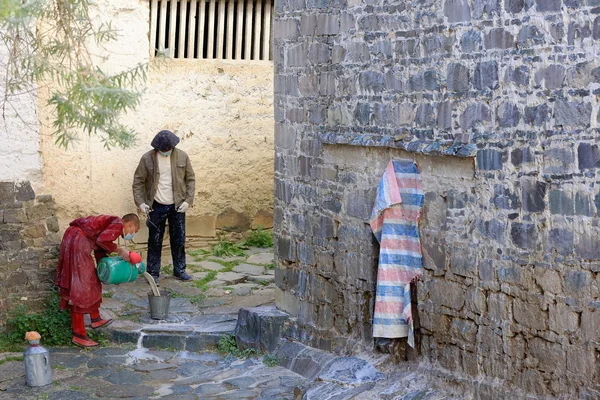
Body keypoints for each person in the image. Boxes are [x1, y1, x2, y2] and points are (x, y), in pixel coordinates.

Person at [55, 214, 141, 348]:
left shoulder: (112, 225)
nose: (132, 235)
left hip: (75, 239)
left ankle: (95, 318)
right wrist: (120, 250)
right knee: (80, 287)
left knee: (92, 280)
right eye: (134, 231)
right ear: (130, 224)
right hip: (78, 241)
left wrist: (110, 275)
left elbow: (100, 250)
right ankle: (79, 334)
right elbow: (102, 241)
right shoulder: (118, 224)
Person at [132, 129, 195, 284]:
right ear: (157, 148)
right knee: (155, 240)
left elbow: (190, 179)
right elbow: (138, 181)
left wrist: (188, 200)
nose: (166, 152)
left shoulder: (182, 156)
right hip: (156, 206)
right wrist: (141, 203)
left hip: (177, 205)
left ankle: (180, 270)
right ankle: (153, 273)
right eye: (163, 150)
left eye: (168, 149)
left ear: (173, 146)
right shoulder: (147, 159)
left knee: (179, 239)